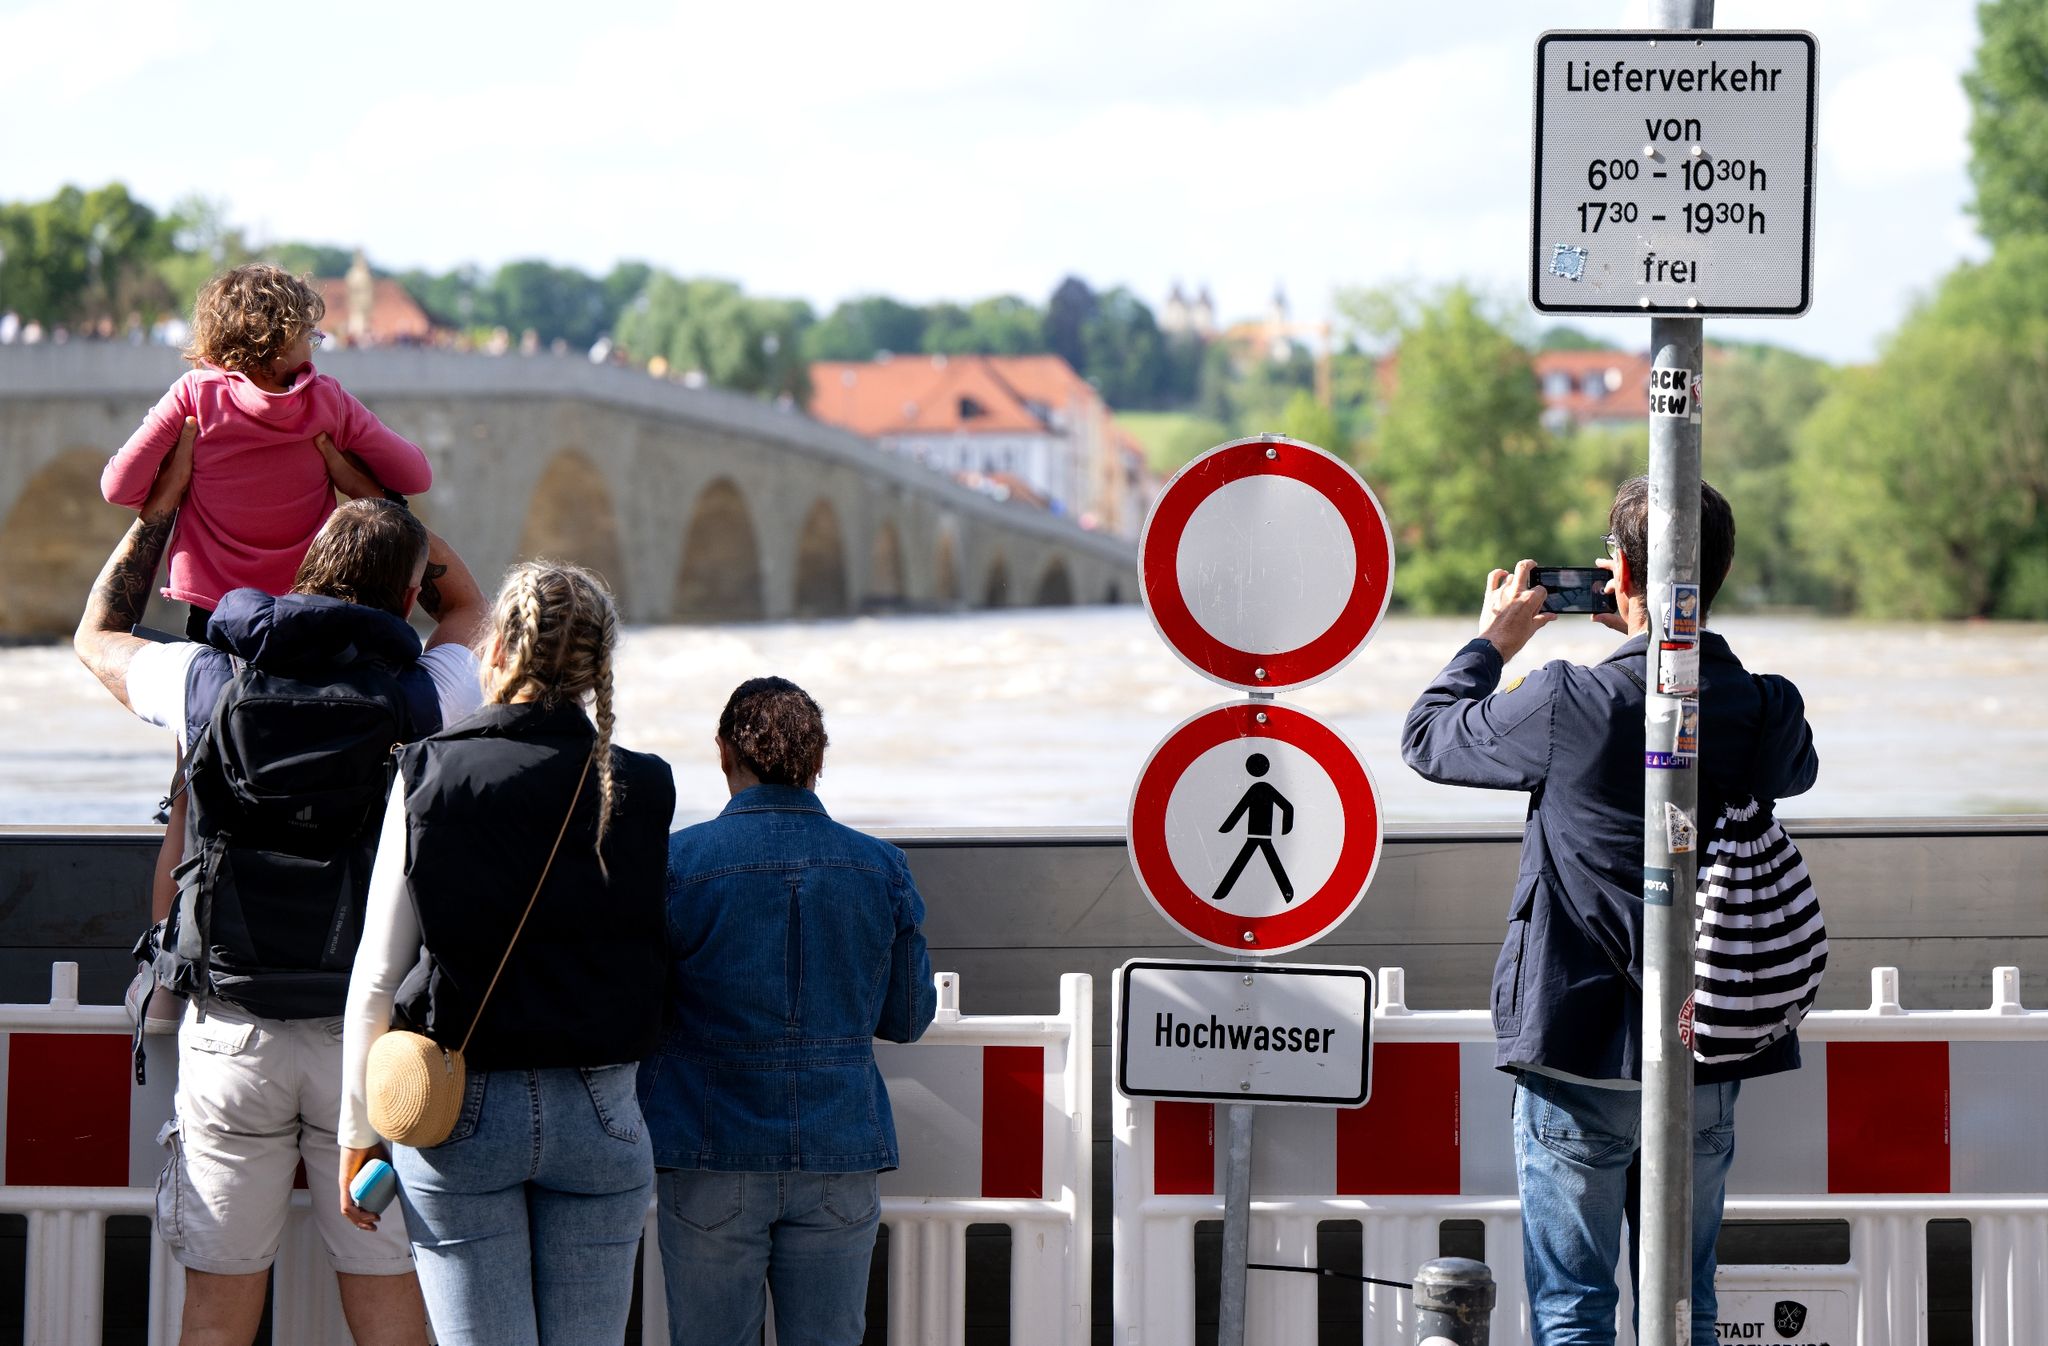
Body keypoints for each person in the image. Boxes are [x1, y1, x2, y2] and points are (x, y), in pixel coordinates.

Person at [73, 428, 488, 1346]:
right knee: (387, 1311)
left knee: (216, 1317)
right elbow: (475, 612)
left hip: (235, 1032)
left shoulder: (207, 684)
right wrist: (384, 506)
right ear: (401, 592)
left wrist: (159, 517)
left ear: (306, 568)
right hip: (368, 1049)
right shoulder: (423, 698)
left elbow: (95, 637)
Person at [1399, 478, 1819, 1346]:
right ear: (1721, 574)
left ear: (1617, 572)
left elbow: (1429, 738)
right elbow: (1795, 770)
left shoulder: (1568, 701)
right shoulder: (1767, 704)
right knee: (1685, 1304)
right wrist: (1658, 638)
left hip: (1583, 1048)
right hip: (1708, 1049)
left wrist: (1493, 641)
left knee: (1573, 1309)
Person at [339, 562, 675, 1346]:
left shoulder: (431, 772)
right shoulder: (645, 787)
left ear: (496, 653)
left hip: (461, 1108)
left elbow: (378, 975)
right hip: (601, 1110)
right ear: (597, 669)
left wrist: (357, 1132)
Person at [641, 678, 938, 1346]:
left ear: (722, 753)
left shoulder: (676, 866)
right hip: (839, 1146)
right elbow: (909, 1017)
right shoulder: (881, 867)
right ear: (819, 759)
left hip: (710, 1147)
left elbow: (640, 1009)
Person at [100, 263, 433, 639]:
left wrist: (174, 481)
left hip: (214, 610)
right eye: (310, 335)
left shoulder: (194, 396)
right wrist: (350, 472)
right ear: (280, 344)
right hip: (304, 606)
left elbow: (118, 488)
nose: (314, 346)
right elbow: (416, 476)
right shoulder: (327, 401)